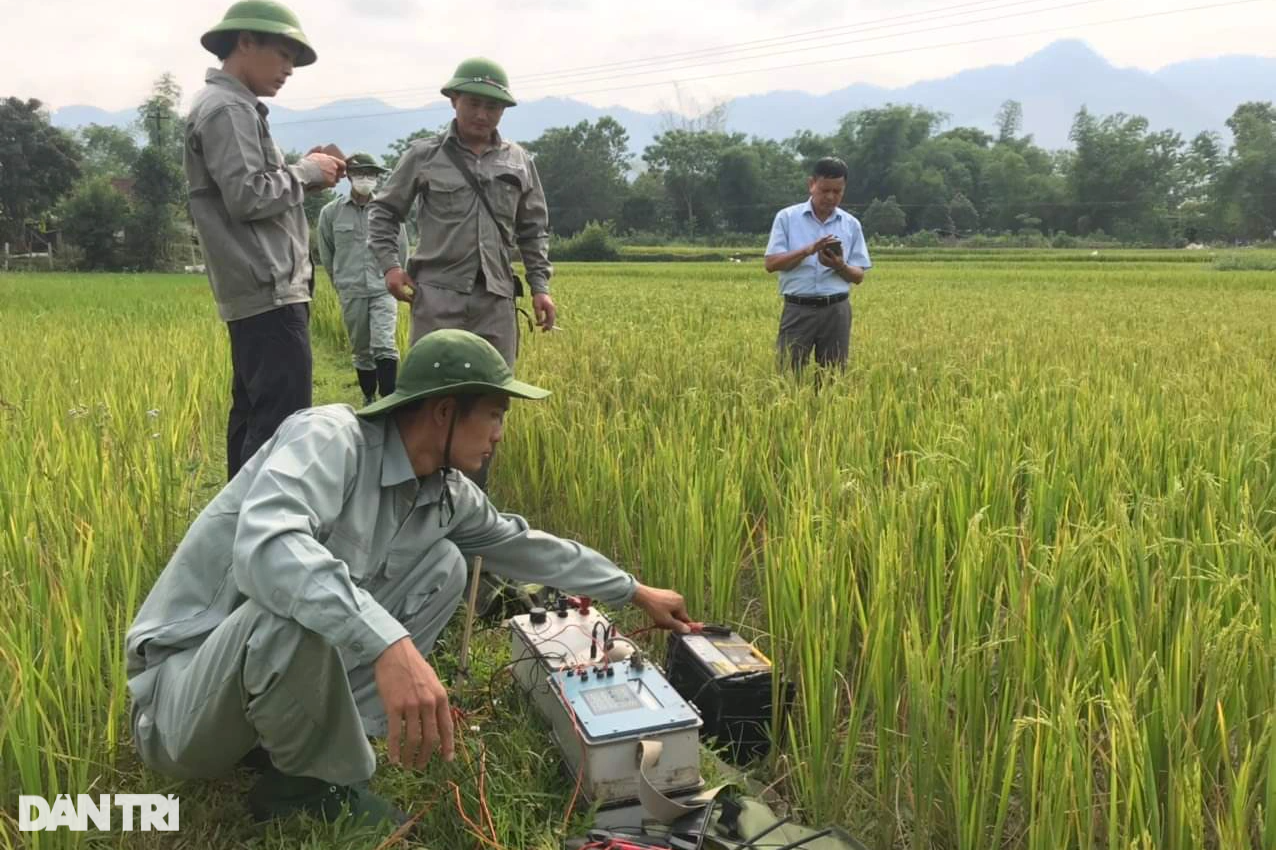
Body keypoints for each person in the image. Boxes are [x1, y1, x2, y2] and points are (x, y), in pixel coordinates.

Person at [124, 329, 693, 828]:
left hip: (256, 686)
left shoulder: (443, 492)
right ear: (444, 411)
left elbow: (522, 545)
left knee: (446, 564)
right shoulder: (331, 439)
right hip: (183, 698)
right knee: (287, 608)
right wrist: (390, 645)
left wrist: (634, 590)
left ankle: (309, 744)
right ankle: (308, 787)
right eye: (494, 415)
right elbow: (268, 552)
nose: (498, 434)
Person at [186, 0, 346, 480]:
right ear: (245, 42)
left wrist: (304, 172)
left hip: (259, 290)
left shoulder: (231, 108)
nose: (289, 70)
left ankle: (236, 534)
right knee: (281, 427)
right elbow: (248, 196)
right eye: (282, 54)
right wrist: (305, 171)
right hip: (268, 292)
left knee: (255, 417)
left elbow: (252, 183)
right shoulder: (227, 109)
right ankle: (261, 540)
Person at [367, 57, 557, 369]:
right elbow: (384, 212)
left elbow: (534, 230)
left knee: (492, 394)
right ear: (454, 101)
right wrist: (390, 267)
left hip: (496, 300)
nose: (482, 115)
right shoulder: (424, 155)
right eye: (473, 103)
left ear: (503, 111)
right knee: (431, 392)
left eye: (493, 107)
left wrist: (540, 288)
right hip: (436, 297)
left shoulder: (519, 160)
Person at [764, 157, 872, 373]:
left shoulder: (851, 224)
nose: (831, 197)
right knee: (787, 375)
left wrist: (839, 265)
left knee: (833, 378)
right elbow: (771, 263)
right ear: (811, 184)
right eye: (825, 190)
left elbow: (858, 276)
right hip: (798, 308)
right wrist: (808, 250)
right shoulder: (787, 218)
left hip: (836, 310)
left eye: (837, 191)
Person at [317, 153, 409, 406]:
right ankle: (368, 398)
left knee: (384, 344)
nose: (366, 179)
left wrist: (396, 277)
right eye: (360, 174)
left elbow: (401, 249)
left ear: (378, 178)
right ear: (349, 176)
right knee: (361, 348)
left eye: (372, 174)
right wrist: (341, 283)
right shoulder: (331, 213)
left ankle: (388, 402)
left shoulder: (388, 211)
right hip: (351, 289)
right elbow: (327, 253)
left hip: (382, 288)